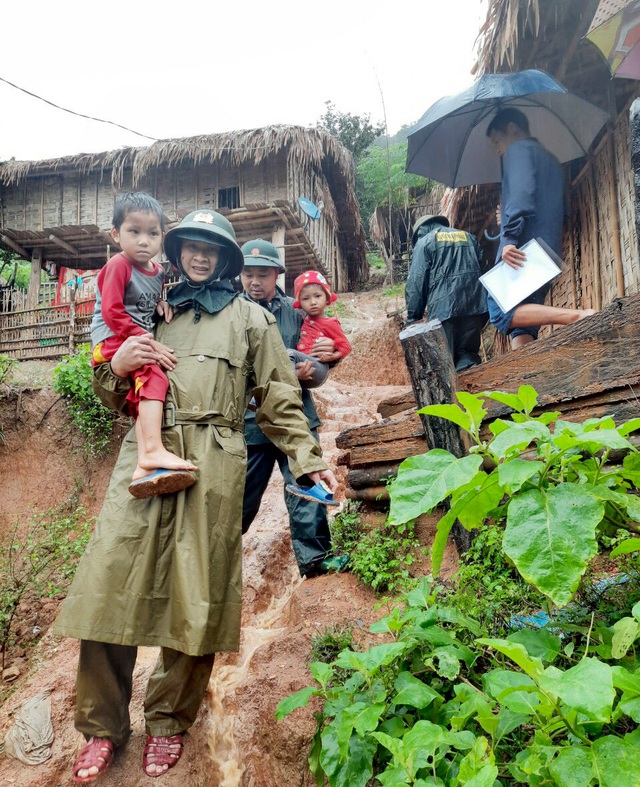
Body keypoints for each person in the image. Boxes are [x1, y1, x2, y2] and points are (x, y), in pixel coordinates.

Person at [53, 210, 338, 783]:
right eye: (192, 246)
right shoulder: (150, 308)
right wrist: (118, 366)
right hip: (145, 451)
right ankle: (102, 726)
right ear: (176, 250)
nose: (201, 257)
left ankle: (167, 719)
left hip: (216, 458)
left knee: (197, 593)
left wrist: (307, 463)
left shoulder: (253, 319)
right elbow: (114, 392)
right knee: (111, 582)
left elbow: (281, 401)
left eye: (213, 249)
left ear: (227, 259)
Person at [239, 239, 349, 576]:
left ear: (277, 276)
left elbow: (320, 360)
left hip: (297, 416)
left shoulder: (297, 312)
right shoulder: (231, 313)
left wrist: (328, 357)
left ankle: (316, 561)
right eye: (248, 274)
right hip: (250, 420)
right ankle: (216, 554)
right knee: (240, 492)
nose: (254, 281)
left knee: (307, 484)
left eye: (262, 274)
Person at [90, 191, 196, 498]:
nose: (143, 241)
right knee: (155, 376)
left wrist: (162, 304)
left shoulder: (158, 271)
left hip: (132, 337)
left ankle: (142, 466)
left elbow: (147, 302)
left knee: (140, 398)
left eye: (152, 233)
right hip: (112, 340)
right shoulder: (118, 266)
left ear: (162, 235)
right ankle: (152, 450)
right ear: (116, 234)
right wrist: (141, 338)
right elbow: (111, 312)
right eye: (133, 232)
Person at [486, 108, 595, 348]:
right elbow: (560, 209)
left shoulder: (518, 149)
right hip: (548, 248)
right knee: (522, 327)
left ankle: (578, 316)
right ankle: (526, 381)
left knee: (499, 309)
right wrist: (504, 216)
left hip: (524, 248)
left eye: (497, 140)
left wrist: (509, 238)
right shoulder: (551, 160)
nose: (496, 148)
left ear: (512, 129)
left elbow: (522, 197)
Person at [405, 214, 488, 372]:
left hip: (444, 310)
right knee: (468, 359)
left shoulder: (425, 242)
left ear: (420, 232)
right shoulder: (469, 238)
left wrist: (413, 318)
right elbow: (484, 271)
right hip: (474, 307)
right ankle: (470, 394)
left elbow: (416, 282)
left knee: (445, 361)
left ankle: (451, 396)